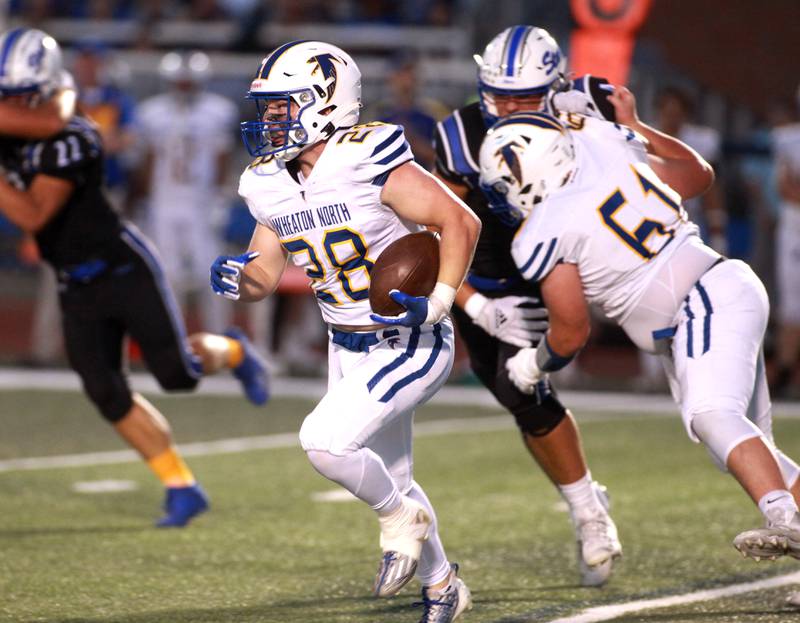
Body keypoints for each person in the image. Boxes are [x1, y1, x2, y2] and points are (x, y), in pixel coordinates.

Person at [211, 40, 480, 622]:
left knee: (325, 442)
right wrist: (239, 279)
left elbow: (459, 220)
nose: (268, 119)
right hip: (345, 341)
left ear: (325, 104)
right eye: (268, 108)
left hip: (408, 338)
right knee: (396, 476)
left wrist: (437, 300)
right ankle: (442, 586)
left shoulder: (365, 155)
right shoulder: (267, 180)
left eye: (282, 106)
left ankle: (401, 519)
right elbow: (266, 270)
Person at [477, 87, 800, 562]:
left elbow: (570, 332)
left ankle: (785, 521)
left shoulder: (543, 229)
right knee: (749, 448)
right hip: (722, 287)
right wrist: (638, 126)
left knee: (713, 416)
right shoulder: (605, 146)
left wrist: (532, 364)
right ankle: (787, 508)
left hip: (701, 305)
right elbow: (697, 176)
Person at [0, 28, 269, 528]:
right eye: (6, 95)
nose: (13, 104)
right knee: (106, 392)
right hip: (73, 282)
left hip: (122, 269)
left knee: (178, 374)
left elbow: (36, 214)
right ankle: (181, 485)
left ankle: (232, 350)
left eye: (22, 95)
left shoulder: (73, 136)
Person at [432, 25, 621, 586]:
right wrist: (474, 303)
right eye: (502, 94)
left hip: (578, 253)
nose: (511, 107)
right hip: (498, 270)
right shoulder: (461, 134)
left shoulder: (585, 115)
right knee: (519, 391)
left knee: (702, 400)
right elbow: (442, 226)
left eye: (525, 96)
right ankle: (589, 510)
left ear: (555, 87)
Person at [137, 50, 238, 334]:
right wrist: (144, 199)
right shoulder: (152, 113)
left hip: (200, 203)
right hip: (164, 202)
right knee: (167, 275)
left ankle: (220, 337)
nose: (184, 86)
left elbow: (222, 157)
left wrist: (220, 197)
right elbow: (149, 159)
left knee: (214, 272)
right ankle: (170, 339)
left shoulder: (217, 111)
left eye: (188, 81)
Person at [770, 92, 800, 397]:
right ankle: (785, 367)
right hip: (795, 230)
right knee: (792, 303)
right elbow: (787, 189)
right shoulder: (789, 139)